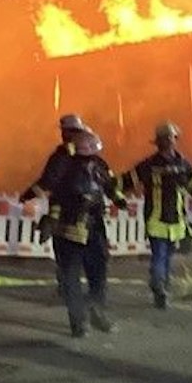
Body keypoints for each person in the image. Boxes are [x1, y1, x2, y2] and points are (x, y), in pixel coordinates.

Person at [22, 127, 122, 337]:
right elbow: (53, 191)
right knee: (76, 277)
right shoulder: (68, 165)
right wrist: (43, 210)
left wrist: (119, 199)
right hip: (73, 228)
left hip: (88, 228)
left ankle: (91, 314)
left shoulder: (94, 164)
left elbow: (110, 185)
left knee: (92, 275)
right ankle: (82, 319)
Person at [122, 121, 192, 309]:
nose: (169, 141)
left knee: (167, 256)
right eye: (166, 138)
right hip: (155, 219)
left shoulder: (183, 164)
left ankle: (162, 287)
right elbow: (127, 181)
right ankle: (159, 286)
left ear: (175, 139)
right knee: (160, 255)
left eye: (171, 138)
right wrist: (112, 192)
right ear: (159, 141)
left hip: (176, 221)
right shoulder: (149, 165)